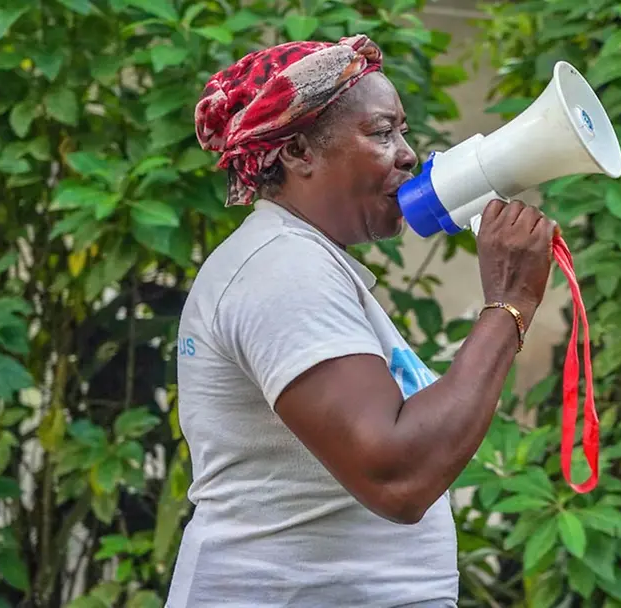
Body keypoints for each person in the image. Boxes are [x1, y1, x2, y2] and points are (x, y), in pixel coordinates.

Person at [167, 34, 557, 607]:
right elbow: (396, 478)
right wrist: (509, 305)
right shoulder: (283, 268)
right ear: (298, 151)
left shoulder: (303, 263)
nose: (408, 154)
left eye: (402, 130)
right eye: (381, 132)